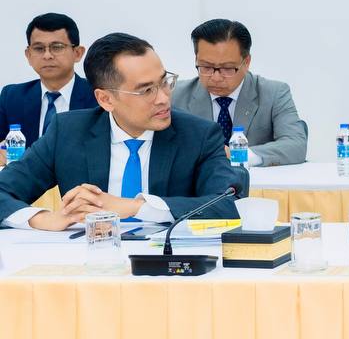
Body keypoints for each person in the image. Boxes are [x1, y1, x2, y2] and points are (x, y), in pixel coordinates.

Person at [0, 33, 244, 231]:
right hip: (87, 261)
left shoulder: (199, 135)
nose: (163, 98)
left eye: (164, 82)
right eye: (146, 90)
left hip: (166, 263)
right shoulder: (67, 132)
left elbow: (228, 205)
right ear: (105, 99)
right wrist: (42, 218)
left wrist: (135, 207)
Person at [171, 18, 308, 166]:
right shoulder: (174, 95)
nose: (216, 78)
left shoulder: (274, 93)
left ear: (246, 62)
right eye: (206, 67)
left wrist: (236, 155)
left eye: (227, 68)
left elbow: (296, 145)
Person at [0, 13, 99, 164]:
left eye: (57, 47)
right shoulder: (12, 97)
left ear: (77, 53)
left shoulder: (99, 97)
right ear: (28, 55)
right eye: (39, 48)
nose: (47, 55)